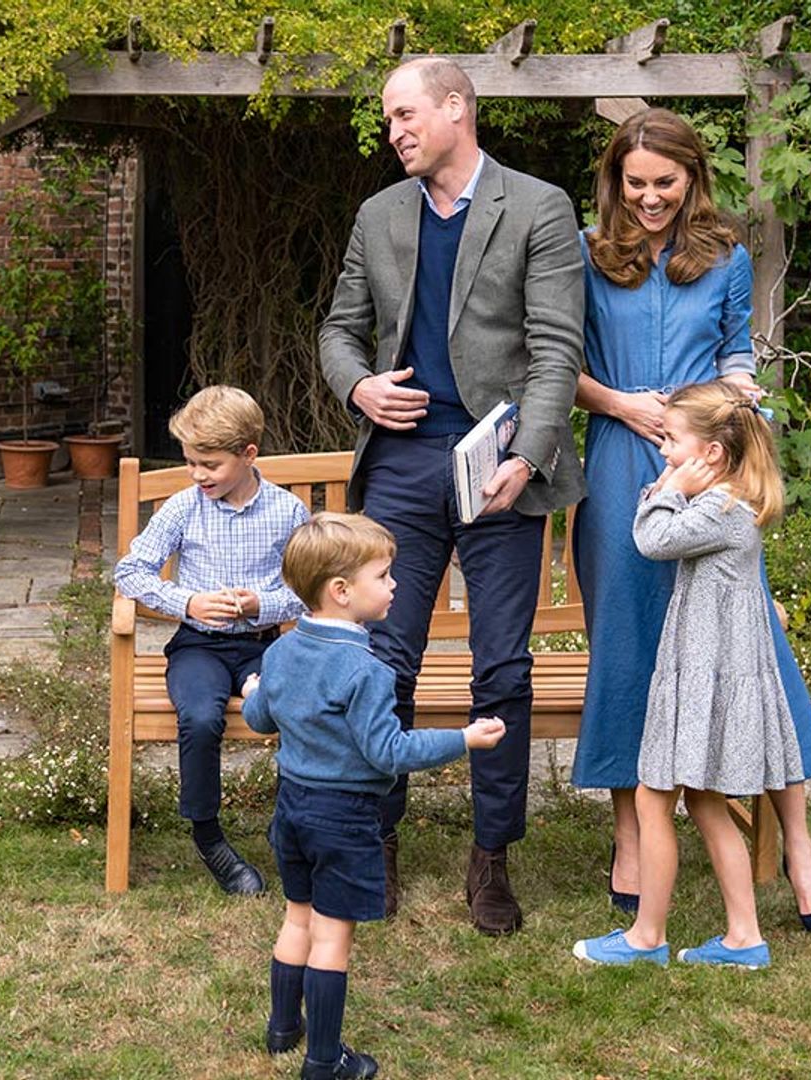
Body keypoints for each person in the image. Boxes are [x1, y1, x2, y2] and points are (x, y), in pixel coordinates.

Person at [319, 57, 584, 933]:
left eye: (404, 115)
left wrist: (532, 455)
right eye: (389, 119)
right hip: (399, 467)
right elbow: (336, 329)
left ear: (456, 109)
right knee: (383, 664)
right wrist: (358, 387)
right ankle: (378, 840)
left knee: (501, 668)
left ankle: (491, 857)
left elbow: (555, 351)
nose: (393, 132)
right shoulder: (378, 215)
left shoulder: (539, 207)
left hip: (500, 470)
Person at [570, 107, 811, 934]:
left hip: (712, 466)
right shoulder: (585, 253)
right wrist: (625, 405)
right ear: (616, 180)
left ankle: (798, 847)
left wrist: (736, 390)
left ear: (693, 179)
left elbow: (736, 350)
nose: (650, 199)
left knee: (749, 640)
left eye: (665, 183)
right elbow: (560, 363)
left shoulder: (723, 256)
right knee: (628, 640)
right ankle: (629, 834)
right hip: (622, 462)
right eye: (636, 183)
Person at [242, 512, 506, 1079]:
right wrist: (464, 738)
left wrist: (251, 689)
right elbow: (389, 752)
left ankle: (283, 1029)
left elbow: (261, 717)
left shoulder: (282, 652)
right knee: (332, 936)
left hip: (291, 807)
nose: (394, 586)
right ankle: (324, 1061)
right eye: (384, 576)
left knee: (297, 919)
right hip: (344, 816)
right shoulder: (367, 671)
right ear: (341, 592)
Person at [575, 382, 806, 968]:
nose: (665, 452)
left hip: (705, 680)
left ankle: (645, 938)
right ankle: (743, 937)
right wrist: (672, 486)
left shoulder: (719, 508)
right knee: (703, 802)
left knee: (654, 800)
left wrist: (667, 490)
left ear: (713, 455)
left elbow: (651, 540)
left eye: (674, 441)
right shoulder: (728, 502)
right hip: (705, 673)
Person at [114, 385, 308, 895]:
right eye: (190, 463)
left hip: (265, 646)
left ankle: (288, 828)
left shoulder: (287, 513)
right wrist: (187, 602)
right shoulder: (183, 508)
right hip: (198, 647)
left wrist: (260, 604)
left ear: (248, 454)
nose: (198, 475)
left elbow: (309, 591)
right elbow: (130, 572)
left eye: (210, 464)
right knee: (200, 718)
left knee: (295, 709)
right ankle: (208, 836)